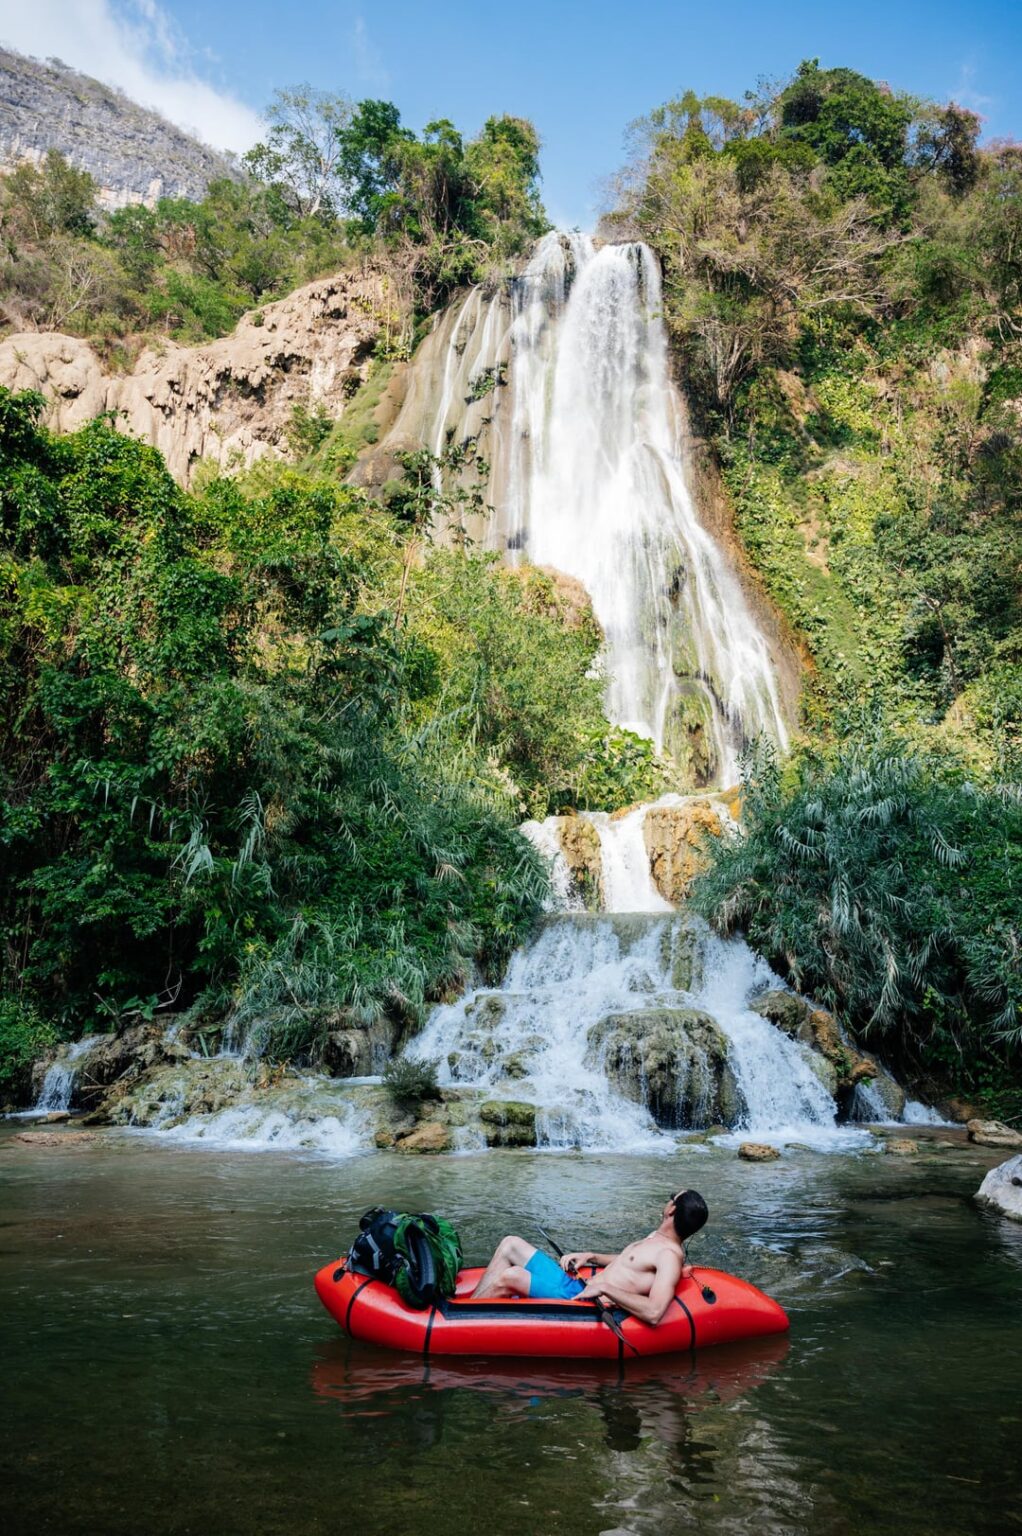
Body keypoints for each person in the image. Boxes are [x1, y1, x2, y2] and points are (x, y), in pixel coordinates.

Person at [469, 1190, 709, 1326]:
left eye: (671, 1198)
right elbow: (631, 1263)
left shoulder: (668, 1256)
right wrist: (591, 1256)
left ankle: (457, 1321)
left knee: (512, 1276)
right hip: (575, 1287)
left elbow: (654, 1312)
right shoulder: (656, 1239)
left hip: (579, 1303)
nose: (666, 1202)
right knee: (511, 1243)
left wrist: (605, 1287)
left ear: (671, 1210)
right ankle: (466, 1305)